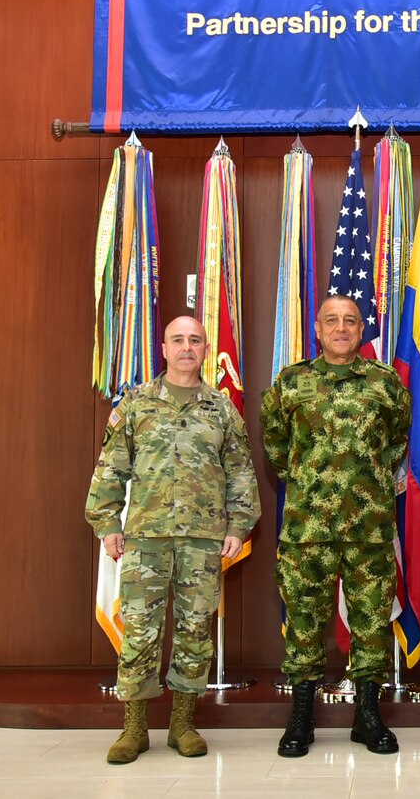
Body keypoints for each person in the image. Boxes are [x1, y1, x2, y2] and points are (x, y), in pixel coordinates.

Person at [85, 316, 261, 764]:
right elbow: (110, 468)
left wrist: (238, 527)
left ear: (205, 350)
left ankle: (183, 723)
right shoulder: (137, 404)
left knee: (194, 631)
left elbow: (241, 473)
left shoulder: (221, 409)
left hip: (203, 541)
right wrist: (106, 523)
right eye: (178, 340)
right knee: (140, 632)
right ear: (163, 349)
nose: (187, 347)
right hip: (146, 538)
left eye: (195, 340)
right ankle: (135, 728)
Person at [260, 295, 411, 758]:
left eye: (350, 321)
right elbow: (275, 445)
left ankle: (367, 717)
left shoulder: (385, 384)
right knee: (304, 624)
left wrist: (367, 483)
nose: (341, 328)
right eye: (332, 321)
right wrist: (311, 483)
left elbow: (397, 441)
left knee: (370, 626)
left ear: (362, 329)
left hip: (369, 528)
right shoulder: (291, 383)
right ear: (317, 329)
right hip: (308, 529)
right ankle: (302, 718)